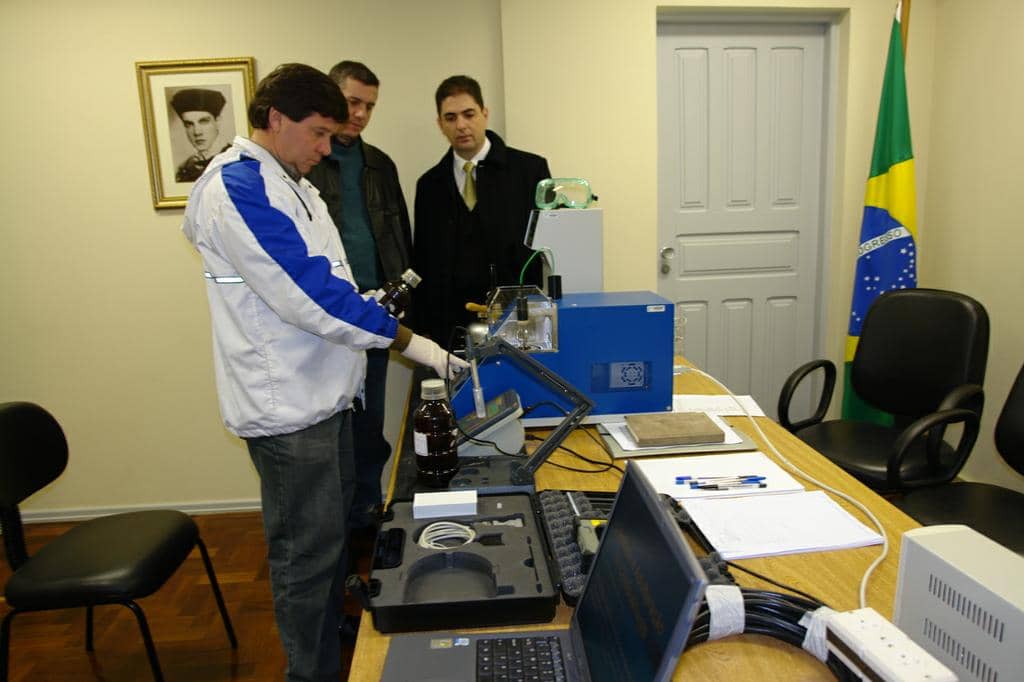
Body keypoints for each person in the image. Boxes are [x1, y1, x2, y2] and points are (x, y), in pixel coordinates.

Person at [181, 63, 466, 682]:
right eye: (316, 133)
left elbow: (331, 283)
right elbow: (308, 297)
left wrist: (369, 305)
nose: (325, 147)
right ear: (275, 119)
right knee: (304, 558)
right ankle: (307, 673)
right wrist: (418, 346)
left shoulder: (295, 183)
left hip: (326, 394)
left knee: (334, 535)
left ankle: (336, 635)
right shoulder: (237, 186)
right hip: (287, 408)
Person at [305, 60, 412, 533]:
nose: (362, 114)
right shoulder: (305, 163)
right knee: (333, 430)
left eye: (370, 105)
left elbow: (400, 237)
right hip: (324, 319)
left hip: (376, 314)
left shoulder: (380, 164)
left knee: (371, 427)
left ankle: (368, 516)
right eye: (353, 102)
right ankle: (336, 526)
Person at [412, 75, 551, 346]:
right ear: (440, 124)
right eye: (450, 118)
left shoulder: (530, 171)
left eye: (469, 114)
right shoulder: (429, 185)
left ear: (484, 114)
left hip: (518, 317)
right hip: (451, 325)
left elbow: (548, 250)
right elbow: (423, 258)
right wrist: (423, 325)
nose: (461, 125)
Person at [170, 88, 230, 181]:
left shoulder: (234, 158)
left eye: (204, 121)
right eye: (189, 124)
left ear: (218, 121)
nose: (197, 132)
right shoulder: (184, 169)